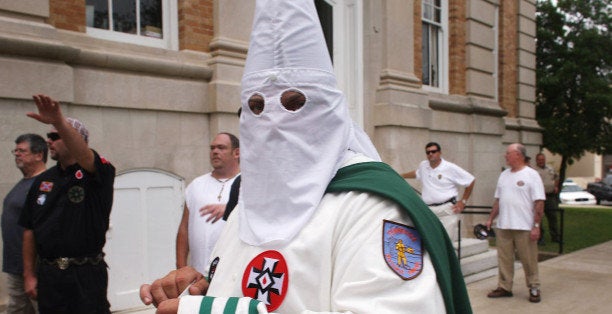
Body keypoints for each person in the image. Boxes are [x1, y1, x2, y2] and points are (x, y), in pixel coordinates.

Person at [139, 1, 471, 313]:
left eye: (294, 104)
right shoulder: (251, 201)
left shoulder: (374, 208)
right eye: (256, 107)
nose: (271, 121)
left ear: (332, 112)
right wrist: (203, 290)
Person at [19, 94, 116, 313]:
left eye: (56, 135)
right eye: (49, 136)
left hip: (85, 276)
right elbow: (29, 229)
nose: (49, 141)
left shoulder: (98, 173)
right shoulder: (43, 180)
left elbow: (86, 157)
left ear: (77, 139)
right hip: (50, 276)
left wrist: (59, 121)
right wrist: (29, 275)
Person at [486, 143, 545, 303]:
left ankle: (534, 287)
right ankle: (504, 286)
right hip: (504, 225)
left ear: (518, 155)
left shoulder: (532, 175)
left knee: (529, 259)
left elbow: (539, 202)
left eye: (508, 153)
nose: (506, 156)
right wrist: (491, 218)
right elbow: (498, 200)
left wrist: (536, 226)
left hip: (524, 226)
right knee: (504, 259)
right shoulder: (504, 175)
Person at [175, 133, 240, 271]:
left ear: (237, 153)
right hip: (197, 274)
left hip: (231, 273)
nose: (215, 152)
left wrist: (231, 208)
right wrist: (181, 268)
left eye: (221, 148)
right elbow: (184, 229)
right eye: (212, 148)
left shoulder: (246, 185)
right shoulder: (196, 185)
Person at [2, 134, 47, 314]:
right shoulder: (23, 183)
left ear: (38, 155)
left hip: (35, 269)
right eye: (16, 151)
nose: (17, 154)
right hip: (15, 266)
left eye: (22, 151)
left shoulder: (45, 184)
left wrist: (31, 273)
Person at [401, 142, 475, 241]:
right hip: (429, 211)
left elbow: (470, 180)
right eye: (428, 152)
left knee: (446, 242)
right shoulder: (423, 165)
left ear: (439, 152)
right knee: (429, 241)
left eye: (433, 151)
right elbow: (417, 173)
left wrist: (463, 201)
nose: (430, 154)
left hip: (447, 210)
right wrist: (401, 176)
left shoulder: (450, 168)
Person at [533, 153, 560, 243]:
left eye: (542, 159)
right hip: (539, 197)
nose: (541, 161)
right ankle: (540, 237)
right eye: (539, 160)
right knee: (539, 217)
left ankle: (555, 236)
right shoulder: (534, 170)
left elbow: (557, 177)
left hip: (550, 195)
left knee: (553, 216)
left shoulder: (550, 168)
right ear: (536, 161)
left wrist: (556, 186)